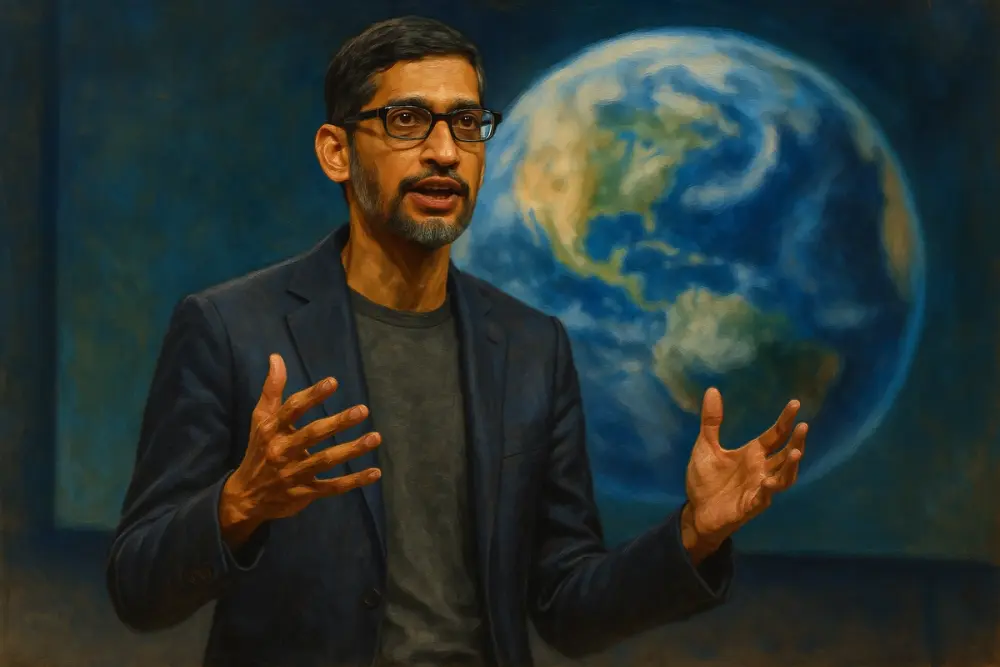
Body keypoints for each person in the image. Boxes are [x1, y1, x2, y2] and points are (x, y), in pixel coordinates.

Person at [106, 15, 808, 667]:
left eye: (467, 123)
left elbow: (564, 605)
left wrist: (694, 534)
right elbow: (138, 587)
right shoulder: (231, 328)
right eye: (407, 120)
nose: (444, 151)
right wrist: (237, 505)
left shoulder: (534, 348)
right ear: (336, 152)